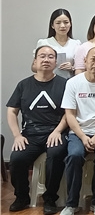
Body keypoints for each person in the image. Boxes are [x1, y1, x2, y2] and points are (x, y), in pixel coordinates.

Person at [6, 46, 68, 215]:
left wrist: (58, 131)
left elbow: (69, 112)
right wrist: (17, 135)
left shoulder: (64, 84)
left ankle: (50, 198)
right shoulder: (23, 85)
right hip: (30, 134)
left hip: (56, 132)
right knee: (17, 159)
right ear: (35, 61)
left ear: (56, 62)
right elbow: (12, 111)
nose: (46, 59)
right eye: (42, 56)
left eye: (50, 57)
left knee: (55, 155)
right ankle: (22, 197)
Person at [60, 48, 95, 215]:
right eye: (93, 59)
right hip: (79, 132)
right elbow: (70, 114)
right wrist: (83, 136)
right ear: (85, 60)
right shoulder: (73, 83)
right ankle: (71, 203)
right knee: (74, 155)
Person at [35, 8, 81, 79]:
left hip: (69, 81)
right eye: (58, 23)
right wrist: (47, 64)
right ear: (52, 25)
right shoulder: (43, 43)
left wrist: (72, 68)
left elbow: (81, 68)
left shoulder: (76, 44)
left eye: (66, 22)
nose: (62, 26)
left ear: (70, 24)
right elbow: (34, 67)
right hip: (48, 81)